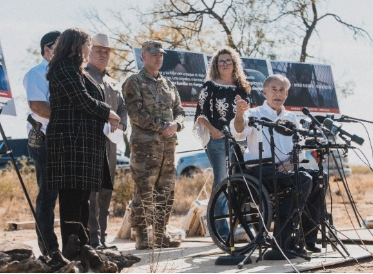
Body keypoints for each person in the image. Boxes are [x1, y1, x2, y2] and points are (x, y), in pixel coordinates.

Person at [46, 28, 121, 260]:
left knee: (82, 198)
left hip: (85, 145)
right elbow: (81, 99)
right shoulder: (63, 68)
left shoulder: (78, 71)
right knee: (72, 197)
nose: (90, 50)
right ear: (78, 45)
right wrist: (108, 112)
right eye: (88, 45)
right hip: (70, 144)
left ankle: (84, 245)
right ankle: (72, 246)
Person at [230, 74, 326, 254]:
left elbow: (299, 145)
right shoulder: (254, 114)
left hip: (287, 169)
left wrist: (291, 161)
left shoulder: (291, 117)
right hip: (259, 170)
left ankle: (308, 238)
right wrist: (239, 114)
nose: (278, 93)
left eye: (282, 90)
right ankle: (283, 241)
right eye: (273, 89)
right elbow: (238, 133)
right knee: (303, 179)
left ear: (287, 94)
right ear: (264, 92)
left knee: (320, 178)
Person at [122, 40, 185, 250]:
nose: (158, 57)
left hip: (168, 147)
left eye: (161, 54)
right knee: (143, 191)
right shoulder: (134, 82)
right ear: (143, 56)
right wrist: (163, 126)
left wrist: (176, 125)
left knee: (165, 191)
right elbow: (136, 114)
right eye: (153, 54)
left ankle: (161, 235)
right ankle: (142, 236)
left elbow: (180, 111)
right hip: (145, 148)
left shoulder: (169, 84)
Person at [193, 46, 251, 239]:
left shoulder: (243, 87)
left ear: (235, 63)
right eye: (221, 61)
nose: (225, 64)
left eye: (228, 60)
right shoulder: (209, 86)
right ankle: (220, 230)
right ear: (216, 65)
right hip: (217, 140)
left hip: (240, 141)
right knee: (221, 182)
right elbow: (200, 115)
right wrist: (213, 131)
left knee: (242, 183)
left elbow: (250, 114)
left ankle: (243, 227)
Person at [85, 33, 127, 249]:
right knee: (91, 194)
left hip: (110, 144)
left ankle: (102, 239)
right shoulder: (83, 77)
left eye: (106, 51)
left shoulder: (113, 82)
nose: (103, 54)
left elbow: (122, 108)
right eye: (98, 50)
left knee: (105, 192)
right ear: (89, 51)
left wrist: (122, 124)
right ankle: (91, 241)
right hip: (90, 143)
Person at [23, 30, 61, 256]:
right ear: (47, 49)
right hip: (43, 139)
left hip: (63, 139)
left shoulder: (66, 74)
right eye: (59, 47)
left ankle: (72, 246)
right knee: (48, 194)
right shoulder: (36, 73)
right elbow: (38, 106)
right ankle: (49, 249)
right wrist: (68, 115)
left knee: (67, 193)